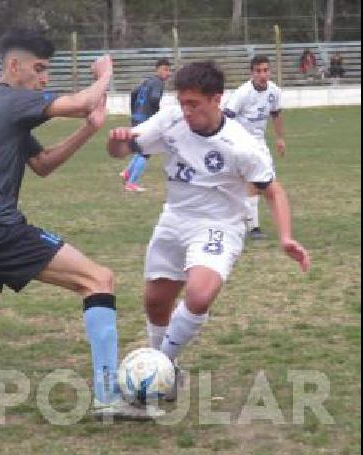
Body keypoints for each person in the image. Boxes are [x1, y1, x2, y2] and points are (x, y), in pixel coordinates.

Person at [0, 29, 156, 420]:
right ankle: (108, 397)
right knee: (98, 280)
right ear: (13, 66)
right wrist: (104, 74)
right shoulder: (13, 102)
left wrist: (89, 129)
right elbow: (83, 100)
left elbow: (43, 165)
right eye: (39, 69)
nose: (44, 79)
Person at [106, 61, 312, 402]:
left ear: (216, 99)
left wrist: (286, 236)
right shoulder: (171, 119)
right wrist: (118, 141)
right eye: (182, 102)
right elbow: (121, 153)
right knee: (156, 303)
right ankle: (164, 374)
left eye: (194, 104)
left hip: (220, 224)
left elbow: (273, 190)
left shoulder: (241, 145)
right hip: (174, 219)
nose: (186, 111)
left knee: (199, 295)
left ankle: (162, 365)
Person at [222, 55, 286, 240]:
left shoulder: (274, 91)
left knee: (262, 181)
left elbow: (276, 114)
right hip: (241, 142)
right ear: (252, 73)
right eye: (258, 71)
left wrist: (280, 138)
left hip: (259, 142)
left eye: (265, 70)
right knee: (254, 180)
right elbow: (226, 117)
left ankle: (243, 222)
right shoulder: (243, 93)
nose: (262, 74)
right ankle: (253, 227)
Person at [118, 58, 172, 192]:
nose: (168, 73)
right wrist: (157, 115)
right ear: (158, 69)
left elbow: (133, 93)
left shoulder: (147, 81)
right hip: (146, 120)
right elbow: (154, 99)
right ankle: (131, 183)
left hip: (137, 118)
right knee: (145, 151)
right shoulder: (158, 83)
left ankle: (127, 173)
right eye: (165, 69)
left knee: (142, 148)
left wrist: (134, 111)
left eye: (169, 70)